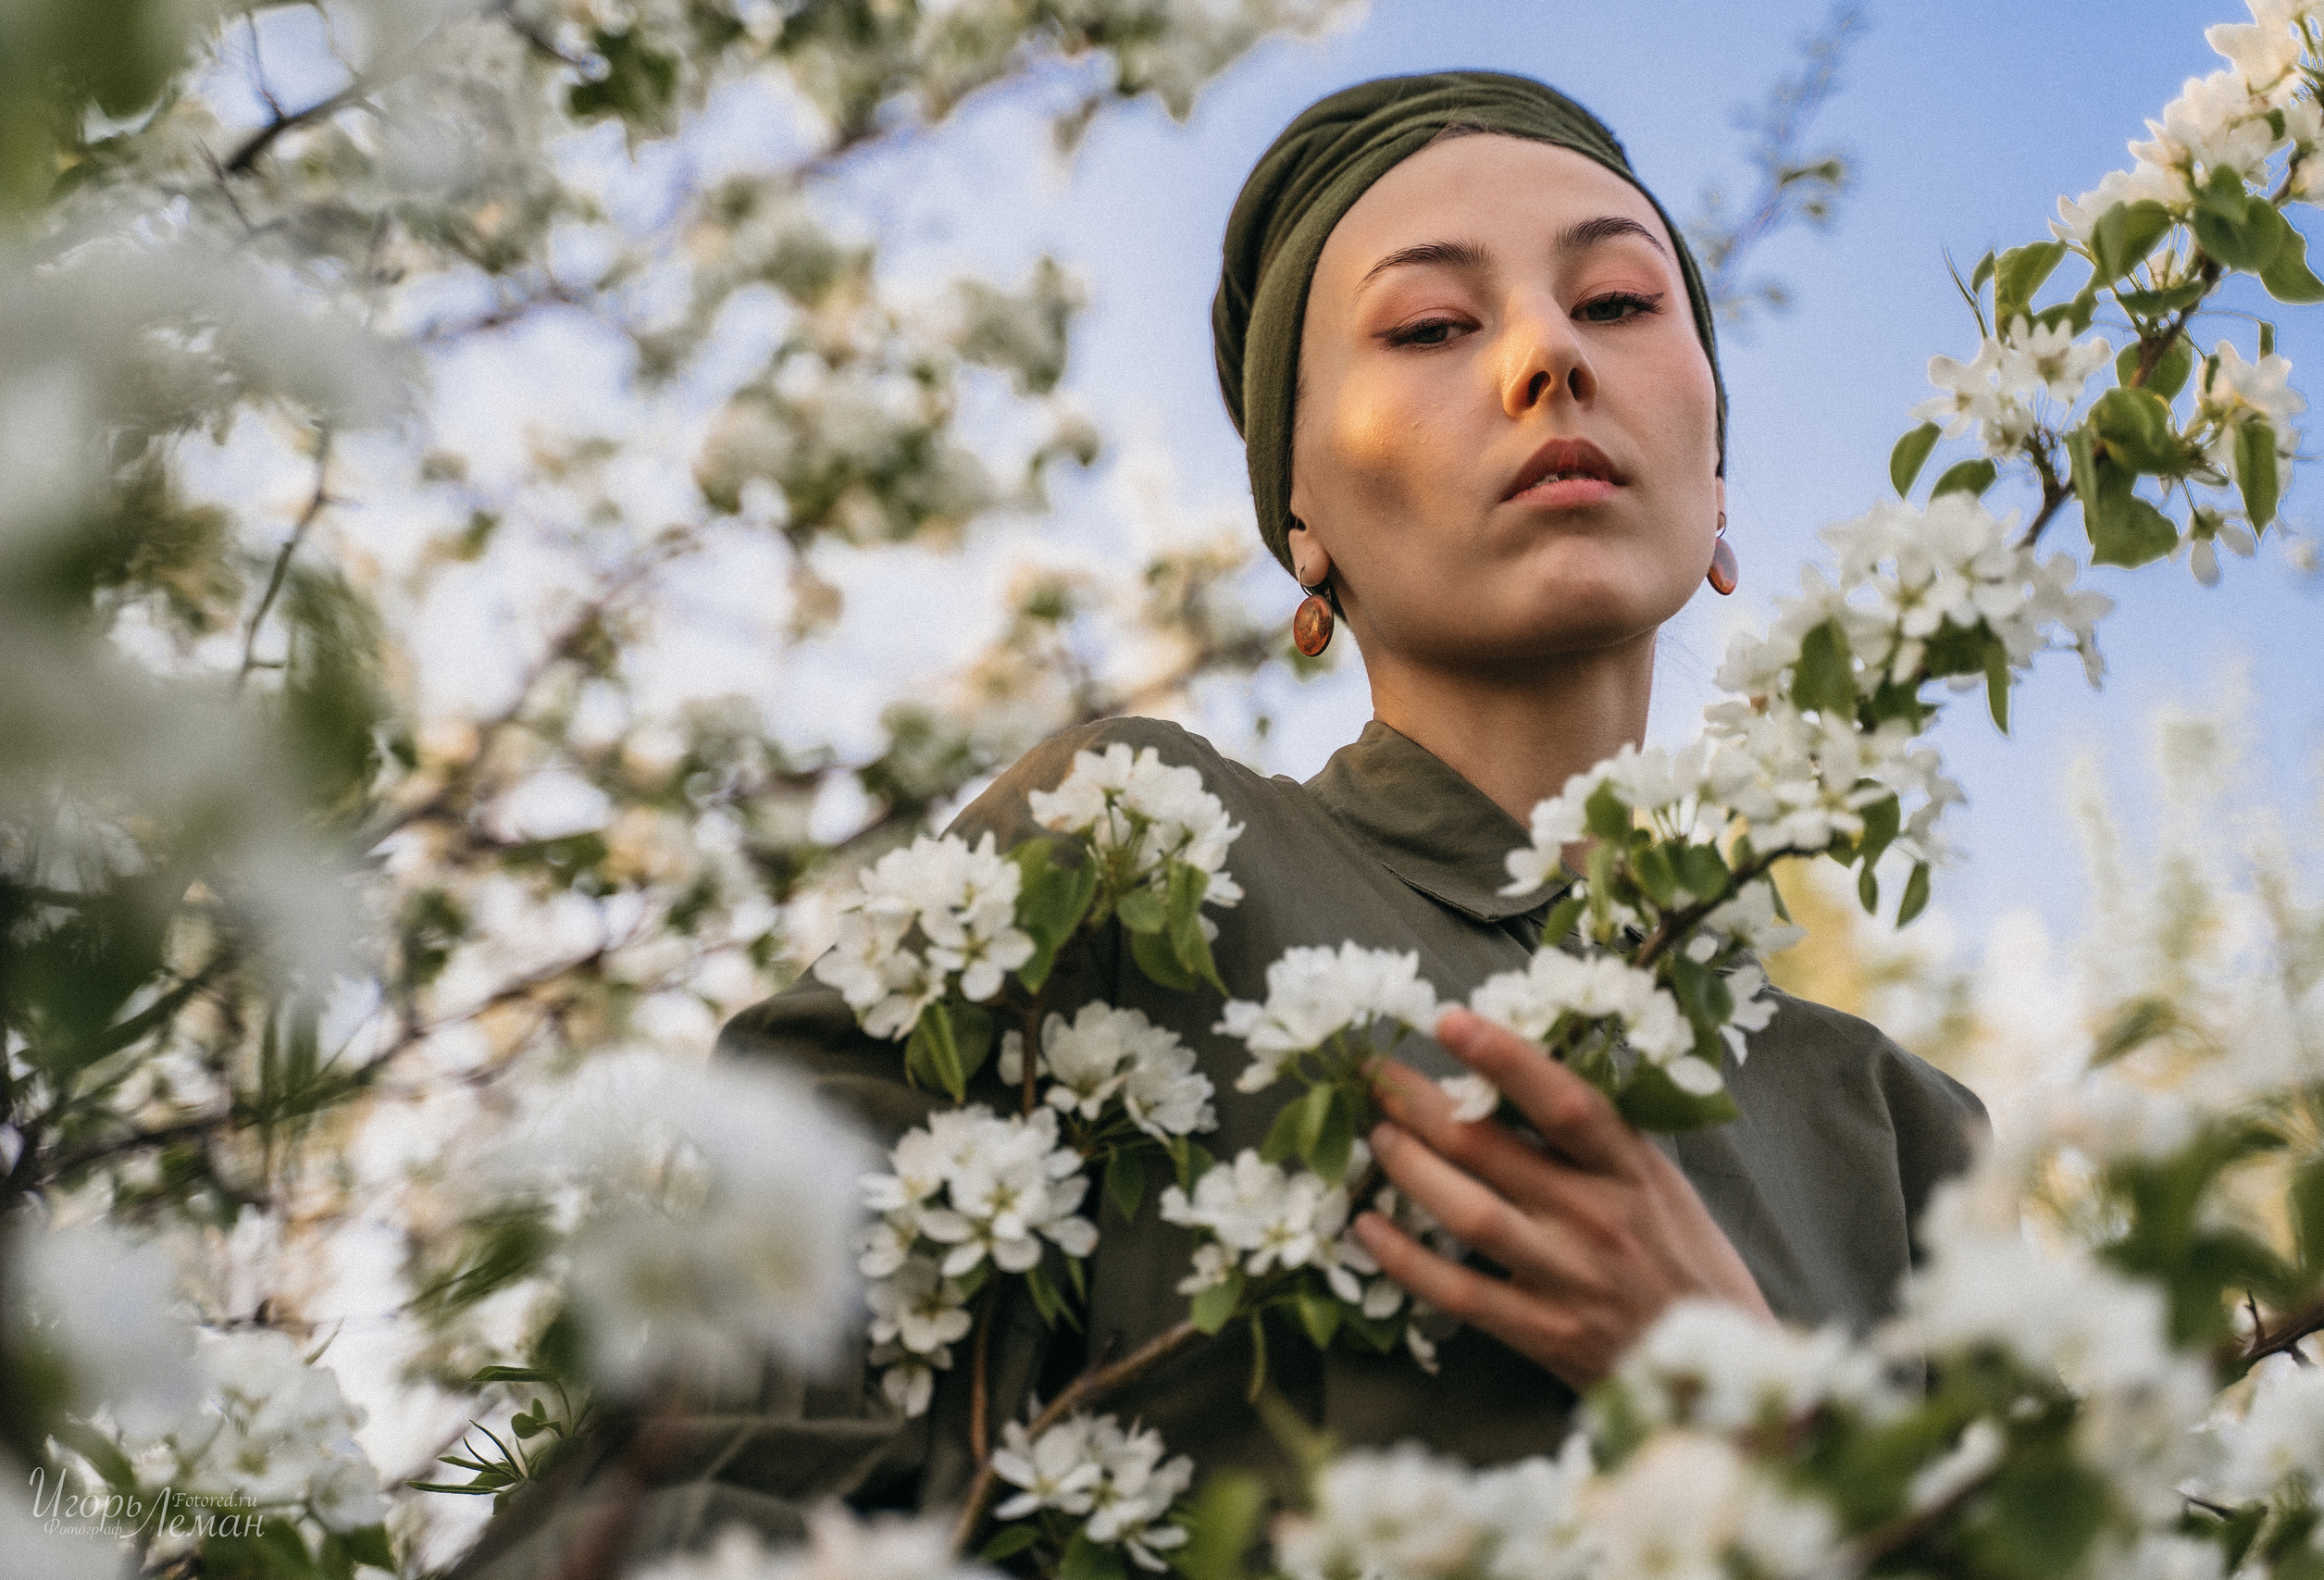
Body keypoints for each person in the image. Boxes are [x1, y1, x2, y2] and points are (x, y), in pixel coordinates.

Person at [450, 71, 1985, 1578]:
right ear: (1300, 515)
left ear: (1719, 475)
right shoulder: (1128, 854)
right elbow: (702, 1489)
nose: (1545, 359)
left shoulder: (1898, 1137)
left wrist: (1760, 1423)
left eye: (1621, 304)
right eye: (1434, 325)